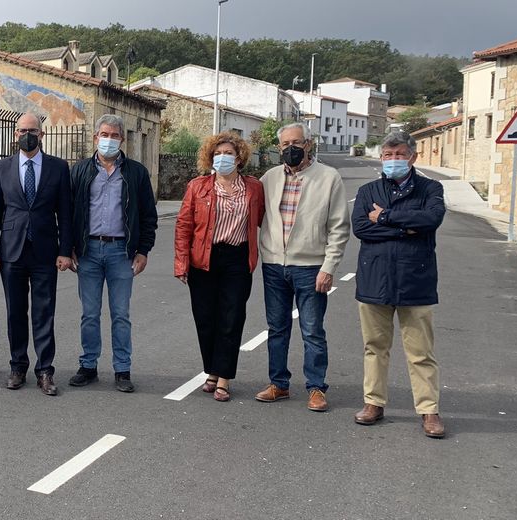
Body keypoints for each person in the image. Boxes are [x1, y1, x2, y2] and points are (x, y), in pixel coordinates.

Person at [351, 131, 446, 438]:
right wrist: (406, 228)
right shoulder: (367, 190)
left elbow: (431, 220)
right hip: (374, 279)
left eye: (400, 154)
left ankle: (429, 410)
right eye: (388, 155)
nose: (394, 160)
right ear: (381, 157)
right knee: (375, 347)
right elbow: (361, 228)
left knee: (421, 352)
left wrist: (385, 217)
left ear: (413, 157)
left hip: (415, 280)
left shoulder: (431, 188)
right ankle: (373, 403)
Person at [255, 122, 350, 411]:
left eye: (296, 143)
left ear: (308, 144)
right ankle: (278, 384)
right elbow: (255, 216)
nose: (291, 148)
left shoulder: (329, 178)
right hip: (274, 265)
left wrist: (329, 267)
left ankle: (316, 387)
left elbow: (339, 227)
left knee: (312, 330)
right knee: (277, 328)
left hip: (311, 267)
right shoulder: (269, 178)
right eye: (285, 144)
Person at [67, 115, 158, 393]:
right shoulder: (80, 170)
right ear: (95, 137)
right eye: (104, 134)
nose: (109, 140)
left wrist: (143, 250)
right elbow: (68, 213)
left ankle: (122, 369)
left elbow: (148, 216)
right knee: (89, 314)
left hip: (121, 252)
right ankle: (88, 365)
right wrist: (68, 247)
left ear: (121, 140)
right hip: (88, 251)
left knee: (120, 314)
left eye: (115, 135)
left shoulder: (136, 173)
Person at [0, 113, 73, 396]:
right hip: (11, 251)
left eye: (32, 131)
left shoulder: (58, 167)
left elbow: (66, 213)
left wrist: (65, 251)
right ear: (15, 134)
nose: (27, 135)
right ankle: (17, 367)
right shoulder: (2, 167)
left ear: (42, 134)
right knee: (15, 312)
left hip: (45, 251)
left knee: (44, 313)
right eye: (22, 130)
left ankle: (45, 371)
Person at [174, 132, 265, 401]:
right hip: (204, 258)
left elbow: (261, 218)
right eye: (217, 154)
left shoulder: (254, 188)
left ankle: (223, 377)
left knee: (232, 318)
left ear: (239, 158)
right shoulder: (198, 186)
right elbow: (184, 226)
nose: (222, 158)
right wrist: (181, 262)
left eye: (228, 153)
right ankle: (212, 371)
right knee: (205, 318)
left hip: (237, 259)